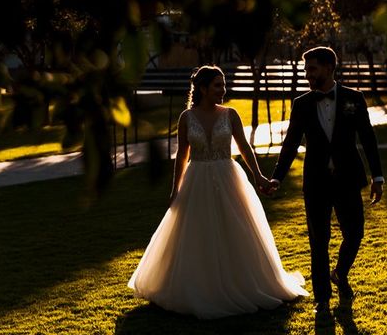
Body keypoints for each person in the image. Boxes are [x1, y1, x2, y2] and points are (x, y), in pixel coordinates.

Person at [128, 65, 308, 319]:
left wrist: (258, 175)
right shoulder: (186, 118)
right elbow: (182, 155)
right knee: (197, 233)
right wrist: (175, 189)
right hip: (197, 179)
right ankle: (199, 286)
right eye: (217, 85)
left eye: (224, 85)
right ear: (202, 88)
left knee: (236, 229)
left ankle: (244, 282)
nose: (223, 90)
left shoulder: (231, 114)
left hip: (229, 177)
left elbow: (244, 147)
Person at [267, 46, 384, 317]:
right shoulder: (302, 104)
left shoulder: (353, 98)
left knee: (355, 233)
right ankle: (322, 298)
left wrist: (377, 176)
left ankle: (340, 273)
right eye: (306, 69)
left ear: (330, 68)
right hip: (316, 182)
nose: (308, 74)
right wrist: (277, 177)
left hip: (348, 179)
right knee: (318, 241)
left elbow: (367, 138)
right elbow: (291, 144)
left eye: (313, 69)